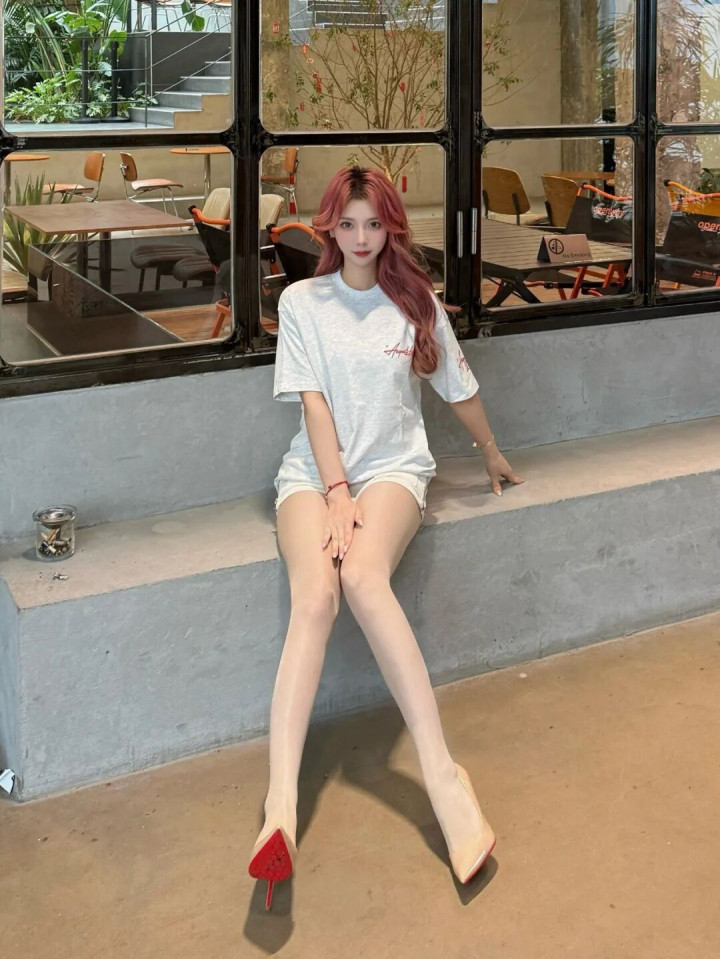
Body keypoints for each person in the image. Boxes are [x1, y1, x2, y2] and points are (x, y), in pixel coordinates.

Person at [248, 166, 524, 910]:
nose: (362, 238)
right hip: (314, 475)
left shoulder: (415, 303)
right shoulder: (303, 302)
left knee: (363, 579)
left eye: (374, 224)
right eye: (348, 225)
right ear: (329, 228)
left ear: (391, 226)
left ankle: (443, 778)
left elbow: (458, 386)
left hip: (396, 471)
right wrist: (335, 491)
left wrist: (490, 451)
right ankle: (279, 807)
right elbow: (313, 406)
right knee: (315, 598)